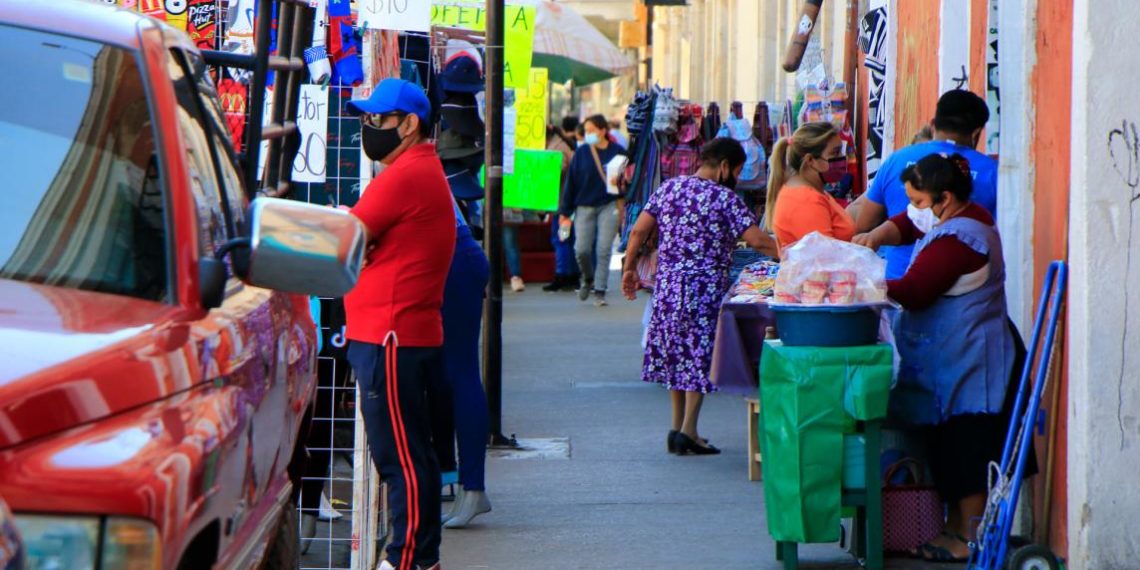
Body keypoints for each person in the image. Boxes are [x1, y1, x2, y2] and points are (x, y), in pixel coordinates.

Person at [852, 154, 1014, 563]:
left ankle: (969, 535)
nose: (914, 209)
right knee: (946, 445)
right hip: (950, 356)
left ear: (944, 198)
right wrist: (877, 237)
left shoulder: (961, 239)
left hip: (970, 358)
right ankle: (954, 529)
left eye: (920, 201)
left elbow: (917, 289)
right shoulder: (951, 215)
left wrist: (864, 282)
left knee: (966, 447)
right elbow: (907, 222)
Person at [343, 78, 453, 570]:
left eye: (377, 120)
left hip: (391, 334)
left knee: (401, 459)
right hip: (398, 332)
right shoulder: (415, 168)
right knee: (413, 455)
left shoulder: (404, 174)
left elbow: (348, 236)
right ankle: (418, 557)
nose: (368, 128)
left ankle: (406, 559)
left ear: (409, 125)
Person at [622, 138, 779, 455]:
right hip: (704, 290)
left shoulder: (669, 189)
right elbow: (758, 241)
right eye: (736, 170)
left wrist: (628, 269)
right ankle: (689, 430)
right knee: (697, 357)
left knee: (676, 356)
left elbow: (638, 231)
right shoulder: (725, 199)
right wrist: (793, 254)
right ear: (724, 166)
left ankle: (677, 427)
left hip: (668, 288)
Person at [856, 89, 997, 279]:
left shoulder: (896, 160)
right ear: (976, 132)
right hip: (962, 291)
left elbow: (865, 223)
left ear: (932, 125)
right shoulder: (992, 172)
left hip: (896, 284)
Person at [438, 196, 493, 528]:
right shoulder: (417, 164)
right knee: (454, 377)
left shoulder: (403, 165)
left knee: (461, 376)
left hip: (453, 262)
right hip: (456, 260)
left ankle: (472, 488)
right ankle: (467, 487)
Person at [559, 114, 627, 306]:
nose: (587, 134)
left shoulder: (618, 152)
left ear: (603, 130)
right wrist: (565, 212)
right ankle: (587, 277)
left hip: (609, 205)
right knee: (581, 249)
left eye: (591, 131)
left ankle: (600, 290)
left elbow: (628, 182)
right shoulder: (581, 153)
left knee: (604, 249)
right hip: (584, 206)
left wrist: (621, 186)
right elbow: (571, 182)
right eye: (586, 131)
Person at [764, 121, 856, 250]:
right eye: (835, 153)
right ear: (810, 160)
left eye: (841, 151)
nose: (842, 158)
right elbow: (825, 259)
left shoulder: (811, 190)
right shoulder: (805, 200)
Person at [544, 118, 582, 292]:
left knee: (561, 238)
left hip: (564, 203)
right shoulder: (561, 143)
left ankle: (564, 275)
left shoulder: (556, 147)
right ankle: (571, 274)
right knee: (565, 238)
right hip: (567, 202)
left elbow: (556, 172)